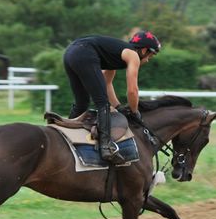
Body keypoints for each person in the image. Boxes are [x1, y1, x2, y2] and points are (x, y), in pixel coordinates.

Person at [63, 31, 161, 164]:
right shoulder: (133, 56)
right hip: (84, 52)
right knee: (102, 103)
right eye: (150, 55)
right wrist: (134, 111)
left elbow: (106, 82)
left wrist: (118, 107)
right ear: (144, 50)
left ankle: (65, 134)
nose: (148, 60)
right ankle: (106, 146)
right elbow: (132, 90)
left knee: (82, 103)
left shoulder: (115, 53)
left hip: (70, 52)